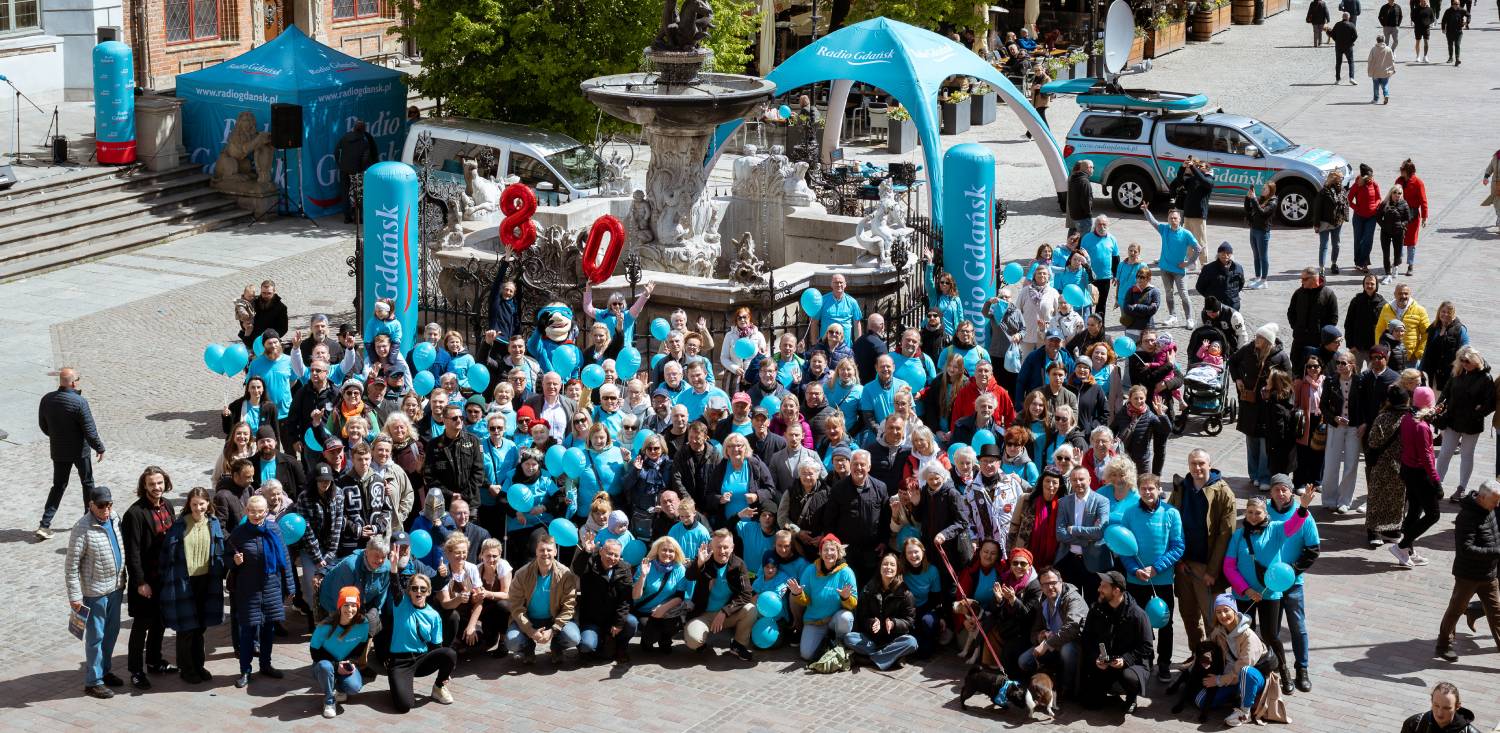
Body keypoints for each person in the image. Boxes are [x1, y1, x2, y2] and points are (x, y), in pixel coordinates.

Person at [1223, 490, 1311, 695]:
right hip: (1243, 594)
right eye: (1250, 512)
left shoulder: (1276, 529)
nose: (1253, 516)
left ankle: (1283, 670)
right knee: (1244, 634)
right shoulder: (1238, 535)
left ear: (1266, 514)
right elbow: (1229, 567)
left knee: (1271, 635)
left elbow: (1294, 524)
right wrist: (1246, 589)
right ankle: (1247, 675)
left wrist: (1303, 507)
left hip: (1269, 593)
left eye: (1258, 513)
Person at [1170, 449, 1238, 656]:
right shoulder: (1182, 487)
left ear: (1210, 464)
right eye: (1193, 463)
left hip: (1207, 566)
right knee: (1188, 614)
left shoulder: (1223, 492)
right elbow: (1170, 521)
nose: (1197, 468)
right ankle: (1198, 656)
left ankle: (1218, 658)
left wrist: (1213, 571)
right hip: (1183, 564)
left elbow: (1226, 534)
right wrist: (1177, 560)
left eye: (1201, 463)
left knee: (1212, 616)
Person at [1118, 474, 1184, 681]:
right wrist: (1134, 569)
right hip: (1136, 580)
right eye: (1144, 488)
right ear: (1139, 490)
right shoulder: (1129, 513)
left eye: (1151, 488)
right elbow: (1123, 547)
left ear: (1159, 490)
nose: (1147, 492)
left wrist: (1156, 568)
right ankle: (1143, 660)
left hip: (1162, 580)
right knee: (1137, 623)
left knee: (1165, 623)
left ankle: (1164, 663)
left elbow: (1178, 546)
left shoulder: (1171, 513)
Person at [226, 494, 295, 689]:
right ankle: (245, 670)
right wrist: (234, 561)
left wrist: (290, 586)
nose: (256, 515)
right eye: (252, 512)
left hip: (271, 586)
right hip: (248, 589)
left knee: (268, 630)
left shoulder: (274, 529)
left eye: (260, 512)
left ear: (266, 512)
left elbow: (285, 558)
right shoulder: (239, 533)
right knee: (248, 631)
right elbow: (225, 557)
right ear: (246, 511)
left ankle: (266, 665)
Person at [66, 486, 126, 699]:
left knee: (112, 632)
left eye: (109, 504)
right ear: (91, 505)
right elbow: (71, 566)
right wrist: (74, 596)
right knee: (96, 637)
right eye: (101, 506)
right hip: (95, 592)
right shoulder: (81, 528)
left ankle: (104, 670)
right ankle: (93, 681)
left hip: (116, 587)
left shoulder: (115, 519)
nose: (106, 509)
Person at [121, 467, 176, 689]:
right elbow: (132, 553)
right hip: (146, 580)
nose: (157, 487)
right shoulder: (134, 514)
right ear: (144, 485)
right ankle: (135, 670)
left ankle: (154, 661)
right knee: (141, 625)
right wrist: (140, 582)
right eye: (152, 484)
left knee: (160, 622)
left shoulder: (168, 505)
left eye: (160, 483)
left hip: (164, 578)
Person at [37, 368, 106, 540]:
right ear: (74, 383)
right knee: (87, 483)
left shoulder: (47, 399)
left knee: (58, 486)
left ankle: (44, 524)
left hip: (59, 450)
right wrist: (99, 447)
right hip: (80, 451)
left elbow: (44, 426)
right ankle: (89, 519)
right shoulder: (79, 402)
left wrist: (57, 436)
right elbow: (89, 430)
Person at [1435, 479, 1500, 663]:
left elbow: (1494, 536)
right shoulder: (1466, 517)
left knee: (1496, 613)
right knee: (1456, 609)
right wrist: (1496, 552)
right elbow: (1466, 549)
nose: (1497, 505)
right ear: (1482, 497)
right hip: (1468, 575)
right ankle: (1443, 645)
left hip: (1489, 574)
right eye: (1495, 501)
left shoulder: (1489, 509)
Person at [1080, 571, 1153, 715]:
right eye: (1100, 585)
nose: (1099, 589)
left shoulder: (1138, 614)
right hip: (1104, 661)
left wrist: (1125, 660)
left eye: (1104, 587)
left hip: (1132, 664)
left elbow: (1146, 646)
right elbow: (1087, 638)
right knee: (1090, 703)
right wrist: (1096, 658)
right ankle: (1107, 689)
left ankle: (1131, 697)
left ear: (1116, 591)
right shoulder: (1096, 609)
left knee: (1129, 677)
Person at [1230, 325, 1291, 490]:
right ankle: (1254, 475)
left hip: (1268, 406)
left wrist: (1273, 394)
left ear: (1267, 341)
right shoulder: (1248, 349)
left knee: (1265, 443)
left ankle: (1264, 477)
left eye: (1260, 338)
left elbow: (1288, 383)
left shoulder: (1280, 357)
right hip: (1249, 404)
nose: (1255, 339)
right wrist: (1237, 379)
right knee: (1251, 440)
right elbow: (1232, 361)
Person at [682, 529, 759, 660]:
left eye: (725, 547)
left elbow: (746, 593)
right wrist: (699, 563)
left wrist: (725, 611)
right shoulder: (704, 560)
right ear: (711, 547)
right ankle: (701, 642)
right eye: (718, 547)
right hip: (703, 614)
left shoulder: (738, 564)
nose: (722, 551)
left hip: (727, 614)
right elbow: (689, 576)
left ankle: (738, 645)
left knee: (751, 609)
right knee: (693, 641)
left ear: (732, 547)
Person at [386, 572, 457, 711]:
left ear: (428, 592)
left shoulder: (433, 615)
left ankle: (438, 687)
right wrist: (393, 569)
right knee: (404, 706)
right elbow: (395, 586)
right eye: (414, 588)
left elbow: (437, 647)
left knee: (449, 654)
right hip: (400, 662)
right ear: (409, 591)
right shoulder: (401, 604)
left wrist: (445, 669)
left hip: (421, 660)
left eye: (423, 589)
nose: (418, 591)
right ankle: (398, 683)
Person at [1197, 593, 1270, 728]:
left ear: (1234, 611)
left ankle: (1244, 712)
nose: (1223, 615)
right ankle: (1236, 696)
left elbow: (1242, 669)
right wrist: (1194, 666)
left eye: (1226, 610)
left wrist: (1218, 680)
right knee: (1200, 701)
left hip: (1253, 678)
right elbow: (1205, 648)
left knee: (1246, 671)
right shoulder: (1219, 631)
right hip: (1230, 677)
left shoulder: (1249, 637)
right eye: (1218, 612)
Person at [506, 533, 581, 663]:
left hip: (554, 619)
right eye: (542, 550)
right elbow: (515, 607)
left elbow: (569, 607)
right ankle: (528, 648)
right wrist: (530, 631)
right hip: (528, 619)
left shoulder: (565, 575)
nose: (545, 553)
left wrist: (553, 630)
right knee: (512, 642)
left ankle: (556, 647)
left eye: (549, 550)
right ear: (536, 551)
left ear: (555, 552)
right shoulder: (521, 574)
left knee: (573, 637)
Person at [1391, 387, 1442, 568]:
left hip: (1408, 470)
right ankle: (1402, 546)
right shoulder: (1422, 427)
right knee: (1433, 514)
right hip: (1420, 474)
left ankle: (1408, 550)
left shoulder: (1407, 418)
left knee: (1414, 511)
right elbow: (1427, 457)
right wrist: (1436, 482)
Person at [1436, 347, 1495, 503]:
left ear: (1475, 360)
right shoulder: (1457, 373)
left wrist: (1477, 413)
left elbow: (1490, 403)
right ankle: (1436, 484)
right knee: (1445, 453)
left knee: (1467, 455)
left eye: (1467, 361)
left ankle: (1461, 488)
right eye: (1461, 360)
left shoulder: (1486, 378)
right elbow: (1445, 393)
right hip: (1453, 420)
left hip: (1471, 424)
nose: (1464, 363)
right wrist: (1438, 408)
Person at [843, 552, 919, 670]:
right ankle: (890, 657)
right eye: (885, 564)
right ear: (880, 567)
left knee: (911, 642)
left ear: (897, 569)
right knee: (849, 638)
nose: (888, 567)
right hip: (872, 640)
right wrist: (872, 622)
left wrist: (894, 623)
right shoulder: (868, 589)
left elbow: (909, 621)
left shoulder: (905, 593)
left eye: (892, 565)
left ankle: (871, 659)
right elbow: (862, 616)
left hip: (893, 640)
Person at [789, 534, 859, 660]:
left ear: (838, 552)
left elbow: (853, 604)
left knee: (846, 617)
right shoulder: (810, 570)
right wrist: (798, 594)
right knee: (806, 655)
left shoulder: (846, 572)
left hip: (835, 620)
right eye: (825, 549)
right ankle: (824, 640)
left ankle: (840, 643)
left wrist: (845, 598)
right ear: (820, 553)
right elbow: (805, 601)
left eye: (832, 549)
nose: (829, 553)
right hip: (815, 621)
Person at [571, 535, 635, 662]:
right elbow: (577, 569)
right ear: (601, 551)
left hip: (612, 617)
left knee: (631, 622)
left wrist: (619, 623)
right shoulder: (590, 562)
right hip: (591, 619)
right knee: (587, 645)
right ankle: (598, 644)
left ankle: (621, 648)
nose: (612, 558)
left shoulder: (625, 568)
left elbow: (625, 599)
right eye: (609, 553)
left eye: (616, 555)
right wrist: (586, 552)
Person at [310, 586, 370, 718]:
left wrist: (351, 662)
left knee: (354, 687)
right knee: (325, 667)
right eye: (346, 605)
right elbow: (315, 654)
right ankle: (329, 701)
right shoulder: (325, 626)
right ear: (339, 606)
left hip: (345, 663)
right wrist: (336, 666)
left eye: (353, 605)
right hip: (324, 664)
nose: (350, 609)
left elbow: (359, 649)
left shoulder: (363, 624)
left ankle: (340, 688)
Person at [1055, 466, 1111, 606]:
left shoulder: (1102, 501)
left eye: (1081, 479)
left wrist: (1074, 529)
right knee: (1070, 602)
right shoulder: (1063, 502)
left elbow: (1099, 532)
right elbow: (1060, 534)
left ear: (1089, 480)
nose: (1078, 483)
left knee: (1094, 603)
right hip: (1069, 560)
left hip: (1094, 561)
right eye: (1074, 480)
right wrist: (1086, 541)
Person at [1140, 204, 1198, 329]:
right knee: (1168, 293)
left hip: (1179, 270)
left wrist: (1188, 263)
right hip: (1165, 268)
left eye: (1175, 218)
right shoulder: (1164, 229)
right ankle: (1173, 316)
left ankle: (1189, 318)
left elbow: (1197, 249)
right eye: (1171, 218)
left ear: (1180, 219)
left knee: (1183, 294)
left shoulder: (1186, 234)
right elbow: (1153, 221)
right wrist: (1146, 210)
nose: (1173, 220)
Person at [1375, 283, 1432, 365]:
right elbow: (1379, 330)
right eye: (1400, 293)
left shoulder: (1420, 310)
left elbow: (1427, 333)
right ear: (1395, 294)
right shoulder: (1386, 308)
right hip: (1390, 358)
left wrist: (1419, 353)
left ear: (1410, 294)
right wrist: (1380, 349)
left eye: (1406, 293)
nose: (1403, 296)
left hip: (1411, 359)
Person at [335, 120, 378, 222]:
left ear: (354, 128)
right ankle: (357, 218)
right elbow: (365, 158)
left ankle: (347, 217)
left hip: (344, 169)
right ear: (364, 129)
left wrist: (340, 164)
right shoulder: (364, 142)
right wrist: (362, 169)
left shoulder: (345, 137)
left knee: (345, 192)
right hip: (357, 170)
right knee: (358, 193)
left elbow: (336, 151)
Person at [1399, 682, 1483, 733]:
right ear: (1431, 701)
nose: (1439, 713)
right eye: (1436, 705)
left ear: (1457, 706)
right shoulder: (1413, 724)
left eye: (1446, 708)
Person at [1348, 164, 1381, 273]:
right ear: (1365, 176)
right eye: (1370, 176)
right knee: (1358, 240)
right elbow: (1348, 200)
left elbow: (1378, 198)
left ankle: (1364, 263)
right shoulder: (1357, 185)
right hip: (1358, 217)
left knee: (1368, 240)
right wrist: (1356, 208)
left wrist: (1375, 206)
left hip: (1371, 217)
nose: (1372, 178)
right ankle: (1358, 262)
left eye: (1372, 176)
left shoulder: (1374, 184)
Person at [1243, 186, 1277, 288]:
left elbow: (1262, 213)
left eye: (1265, 189)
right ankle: (1257, 278)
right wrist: (1248, 198)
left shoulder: (1272, 202)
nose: (1262, 190)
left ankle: (1264, 280)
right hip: (1253, 229)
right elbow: (1248, 210)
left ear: (1270, 191)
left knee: (1263, 256)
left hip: (1262, 232)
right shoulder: (1261, 199)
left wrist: (1253, 199)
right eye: (1263, 188)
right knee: (1256, 255)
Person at [1196, 242, 1247, 310]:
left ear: (1231, 254)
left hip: (1233, 304)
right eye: (1222, 253)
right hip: (1214, 305)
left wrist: (1232, 295)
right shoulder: (1208, 268)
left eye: (1228, 253)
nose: (1225, 255)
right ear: (1218, 254)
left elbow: (1241, 284)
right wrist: (1210, 297)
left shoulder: (1238, 268)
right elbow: (1199, 286)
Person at [1066, 160, 1095, 235]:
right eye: (1093, 167)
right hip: (1083, 217)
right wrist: (1089, 214)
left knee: (1075, 236)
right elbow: (1086, 200)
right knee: (1085, 239)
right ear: (1088, 168)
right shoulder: (1084, 181)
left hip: (1075, 215)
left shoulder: (1073, 179)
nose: (1093, 170)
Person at [1367, 35, 1396, 104]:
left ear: (1377, 41)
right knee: (1385, 85)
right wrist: (1393, 69)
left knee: (1376, 86)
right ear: (1383, 41)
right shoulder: (1388, 49)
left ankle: (1375, 99)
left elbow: (1369, 60)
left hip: (1375, 71)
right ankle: (1386, 95)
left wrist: (1369, 70)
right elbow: (1392, 60)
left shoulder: (1373, 49)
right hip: (1385, 71)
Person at [1439, 0, 1465, 65]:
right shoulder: (1448, 11)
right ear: (1452, 4)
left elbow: (1469, 15)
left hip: (1459, 31)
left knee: (1457, 44)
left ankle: (1457, 59)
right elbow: (1443, 20)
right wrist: (1443, 28)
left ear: (1459, 4)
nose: (1456, 5)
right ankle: (1450, 58)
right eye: (1455, 4)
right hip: (1449, 31)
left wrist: (1467, 22)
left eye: (1457, 4)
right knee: (1450, 45)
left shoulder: (1461, 10)